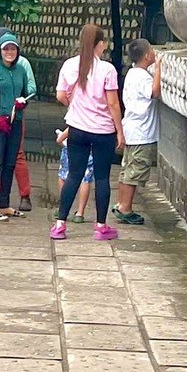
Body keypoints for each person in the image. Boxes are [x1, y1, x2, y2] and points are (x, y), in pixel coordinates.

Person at [54, 23, 123, 241]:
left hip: (77, 129)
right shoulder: (107, 69)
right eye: (104, 43)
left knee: (74, 174)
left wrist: (75, 107)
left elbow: (60, 95)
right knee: (102, 177)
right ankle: (101, 226)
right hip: (103, 131)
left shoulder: (69, 65)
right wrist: (120, 131)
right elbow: (113, 104)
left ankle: (59, 225)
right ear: (100, 44)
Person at [0, 32, 35, 219]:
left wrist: (22, 103)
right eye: (6, 49)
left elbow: (27, 92)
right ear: (0, 50)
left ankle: (4, 203)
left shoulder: (20, 69)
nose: (9, 52)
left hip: (15, 121)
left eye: (13, 48)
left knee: (10, 163)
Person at [115, 38, 162, 226]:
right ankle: (125, 208)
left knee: (128, 170)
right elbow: (154, 92)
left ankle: (122, 204)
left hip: (134, 129)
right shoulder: (142, 76)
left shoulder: (133, 73)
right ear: (148, 55)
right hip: (141, 132)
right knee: (134, 172)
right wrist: (158, 69)